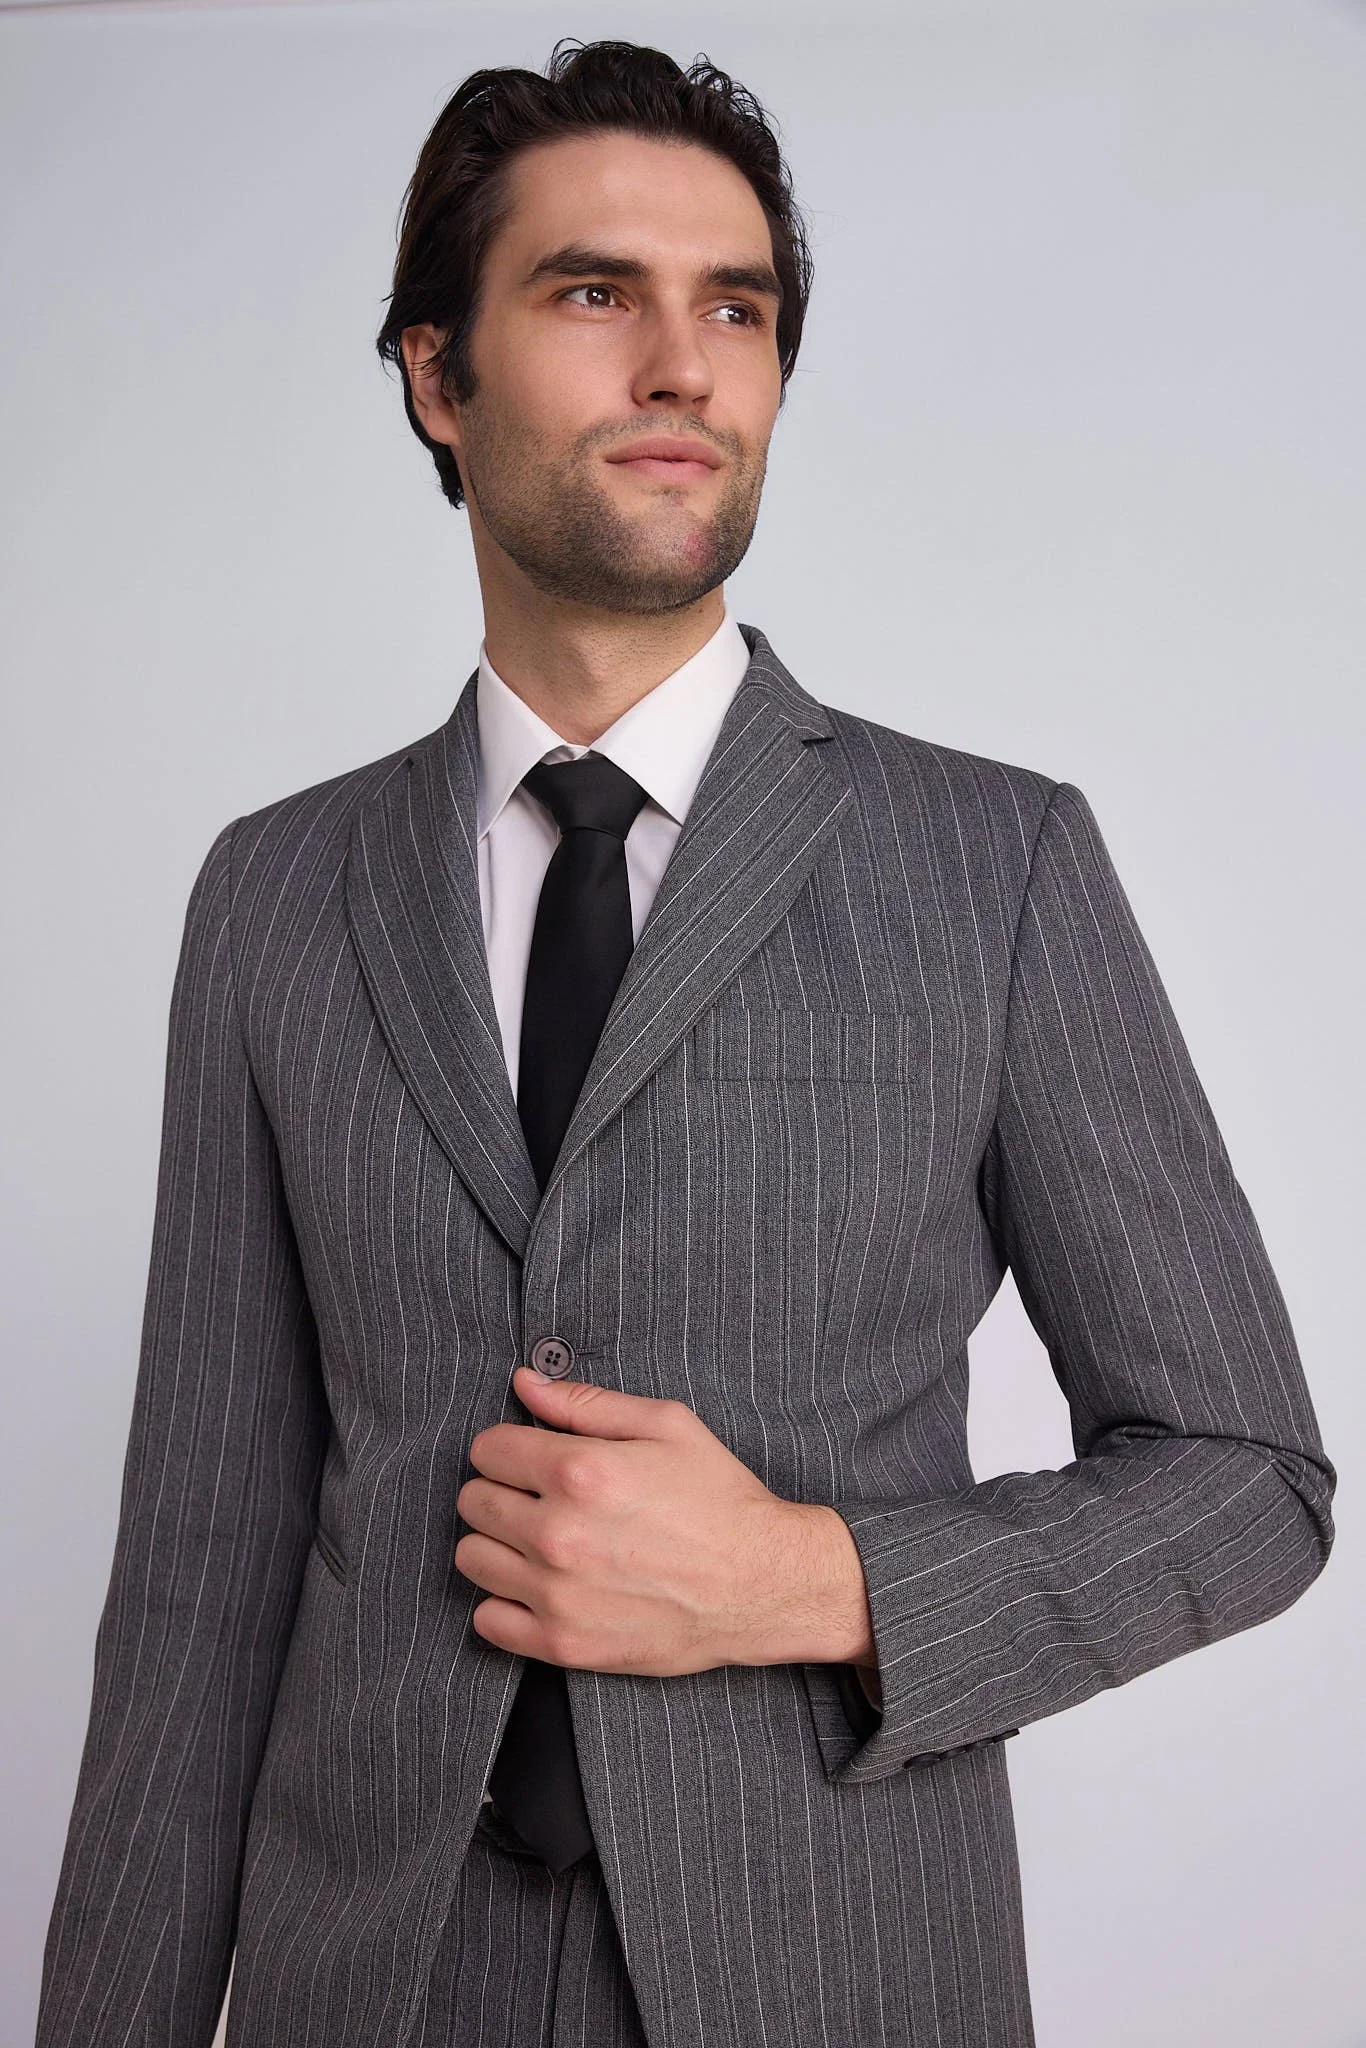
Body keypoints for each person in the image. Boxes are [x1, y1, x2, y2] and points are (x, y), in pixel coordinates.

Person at [35, 37, 1335, 2048]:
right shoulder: (272, 894)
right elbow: (200, 1580)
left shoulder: (990, 863)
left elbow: (1248, 1478)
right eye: (591, 294)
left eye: (733, 308)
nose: (681, 366)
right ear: (435, 378)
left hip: (826, 1972)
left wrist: (817, 1585)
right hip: (370, 1985)